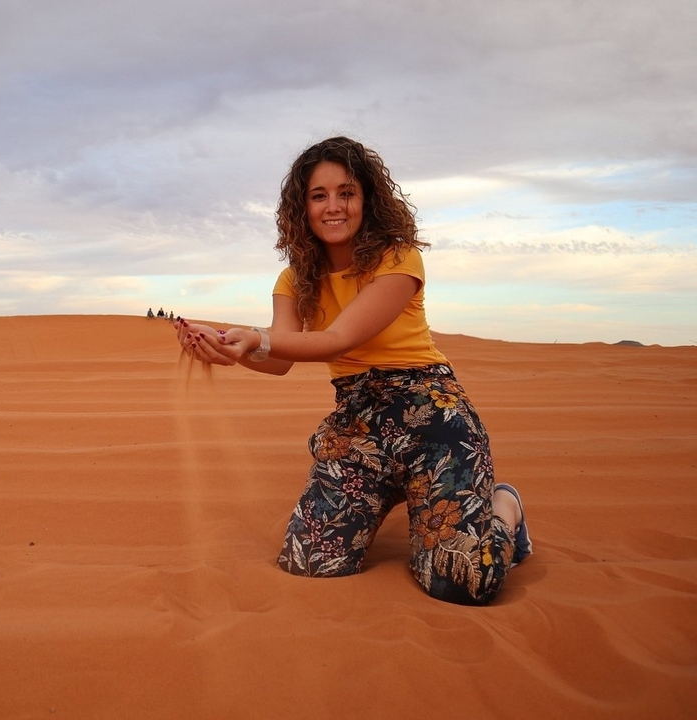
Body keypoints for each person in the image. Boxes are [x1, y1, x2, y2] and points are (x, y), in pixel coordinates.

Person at [174, 136, 531, 605]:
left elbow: (338, 338)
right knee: (310, 562)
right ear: (302, 207)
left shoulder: (398, 258)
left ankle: (505, 508)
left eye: (346, 193)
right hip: (358, 425)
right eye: (319, 196)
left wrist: (254, 339)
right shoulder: (294, 279)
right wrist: (222, 347)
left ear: (367, 199)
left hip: (433, 419)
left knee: (462, 582)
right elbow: (281, 358)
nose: (333, 206)